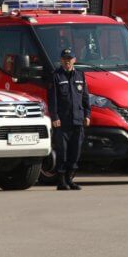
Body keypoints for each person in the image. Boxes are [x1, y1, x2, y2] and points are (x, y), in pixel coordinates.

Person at [46, 48, 90, 190]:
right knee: (62, 152)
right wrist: (55, 117)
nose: (67, 61)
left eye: (70, 59)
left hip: (78, 120)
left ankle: (70, 179)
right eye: (65, 59)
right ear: (61, 60)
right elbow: (52, 99)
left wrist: (87, 115)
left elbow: (85, 97)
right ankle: (61, 181)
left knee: (75, 152)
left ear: (74, 60)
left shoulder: (80, 75)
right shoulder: (56, 76)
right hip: (62, 121)